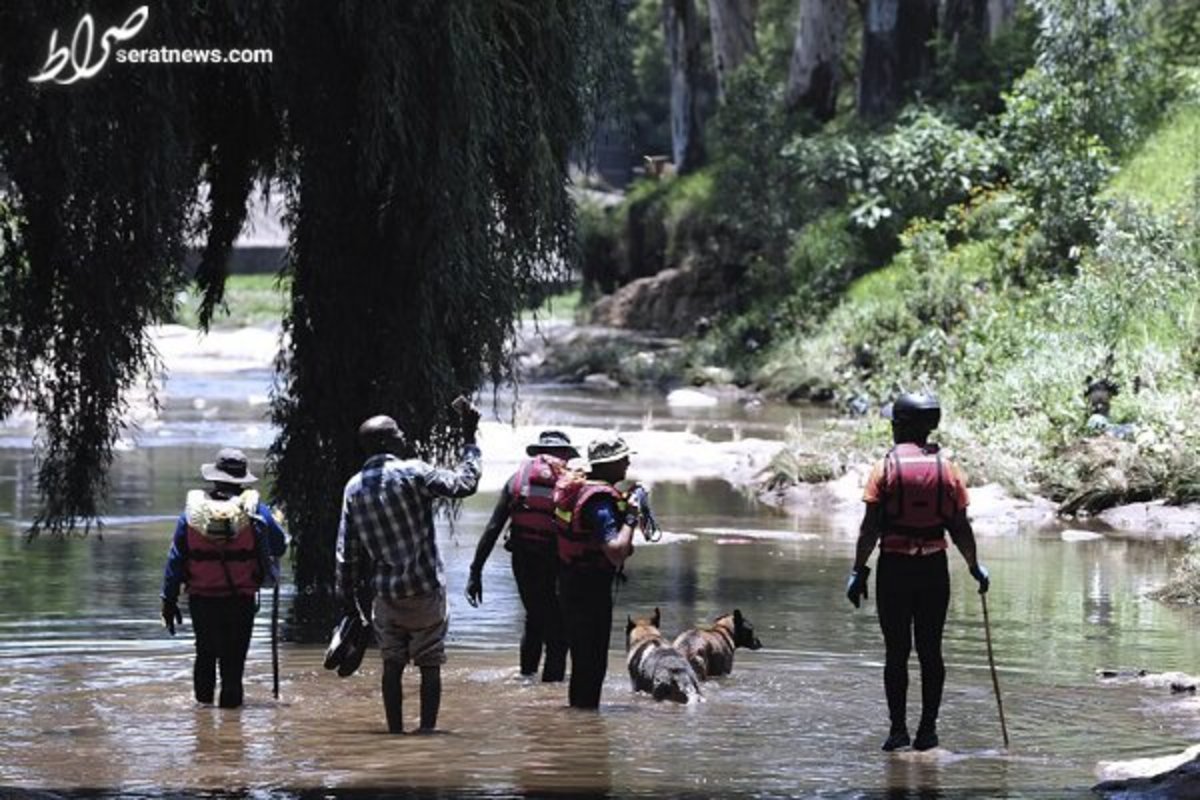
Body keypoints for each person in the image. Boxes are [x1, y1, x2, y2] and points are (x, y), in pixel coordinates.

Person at [846, 392, 990, 752]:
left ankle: (898, 731)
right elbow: (960, 527)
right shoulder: (949, 469)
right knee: (931, 651)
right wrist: (974, 566)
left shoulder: (885, 468)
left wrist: (858, 570)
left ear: (903, 427)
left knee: (896, 652)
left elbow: (869, 529)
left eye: (895, 423)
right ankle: (928, 732)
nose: (892, 429)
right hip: (933, 572)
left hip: (894, 570)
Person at [336, 407, 481, 734]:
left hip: (386, 595)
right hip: (425, 590)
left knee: (392, 663)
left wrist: (349, 606)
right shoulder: (414, 472)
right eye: (399, 432)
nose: (405, 436)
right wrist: (469, 437)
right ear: (387, 440)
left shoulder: (354, 488)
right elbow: (465, 483)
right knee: (430, 663)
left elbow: (347, 554)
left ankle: (395, 734)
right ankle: (427, 734)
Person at [160, 448, 288, 709]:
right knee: (233, 665)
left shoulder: (192, 514)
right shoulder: (256, 512)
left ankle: (202, 722)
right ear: (242, 480)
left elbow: (175, 560)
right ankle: (233, 732)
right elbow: (280, 547)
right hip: (240, 600)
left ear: (215, 478)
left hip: (202, 600)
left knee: (204, 655)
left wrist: (168, 600)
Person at [466, 431, 578, 681]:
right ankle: (548, 702)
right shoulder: (571, 484)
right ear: (566, 455)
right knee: (558, 638)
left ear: (537, 454)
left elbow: (493, 529)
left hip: (524, 561)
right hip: (557, 562)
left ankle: (526, 680)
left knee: (535, 618)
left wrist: (475, 572)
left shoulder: (516, 480)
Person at [552, 435, 639, 709]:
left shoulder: (580, 489)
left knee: (581, 659)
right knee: (592, 662)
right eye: (623, 458)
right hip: (590, 590)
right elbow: (616, 551)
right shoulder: (600, 502)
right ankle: (585, 727)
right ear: (609, 464)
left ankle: (577, 720)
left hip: (570, 582)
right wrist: (631, 517)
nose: (628, 462)